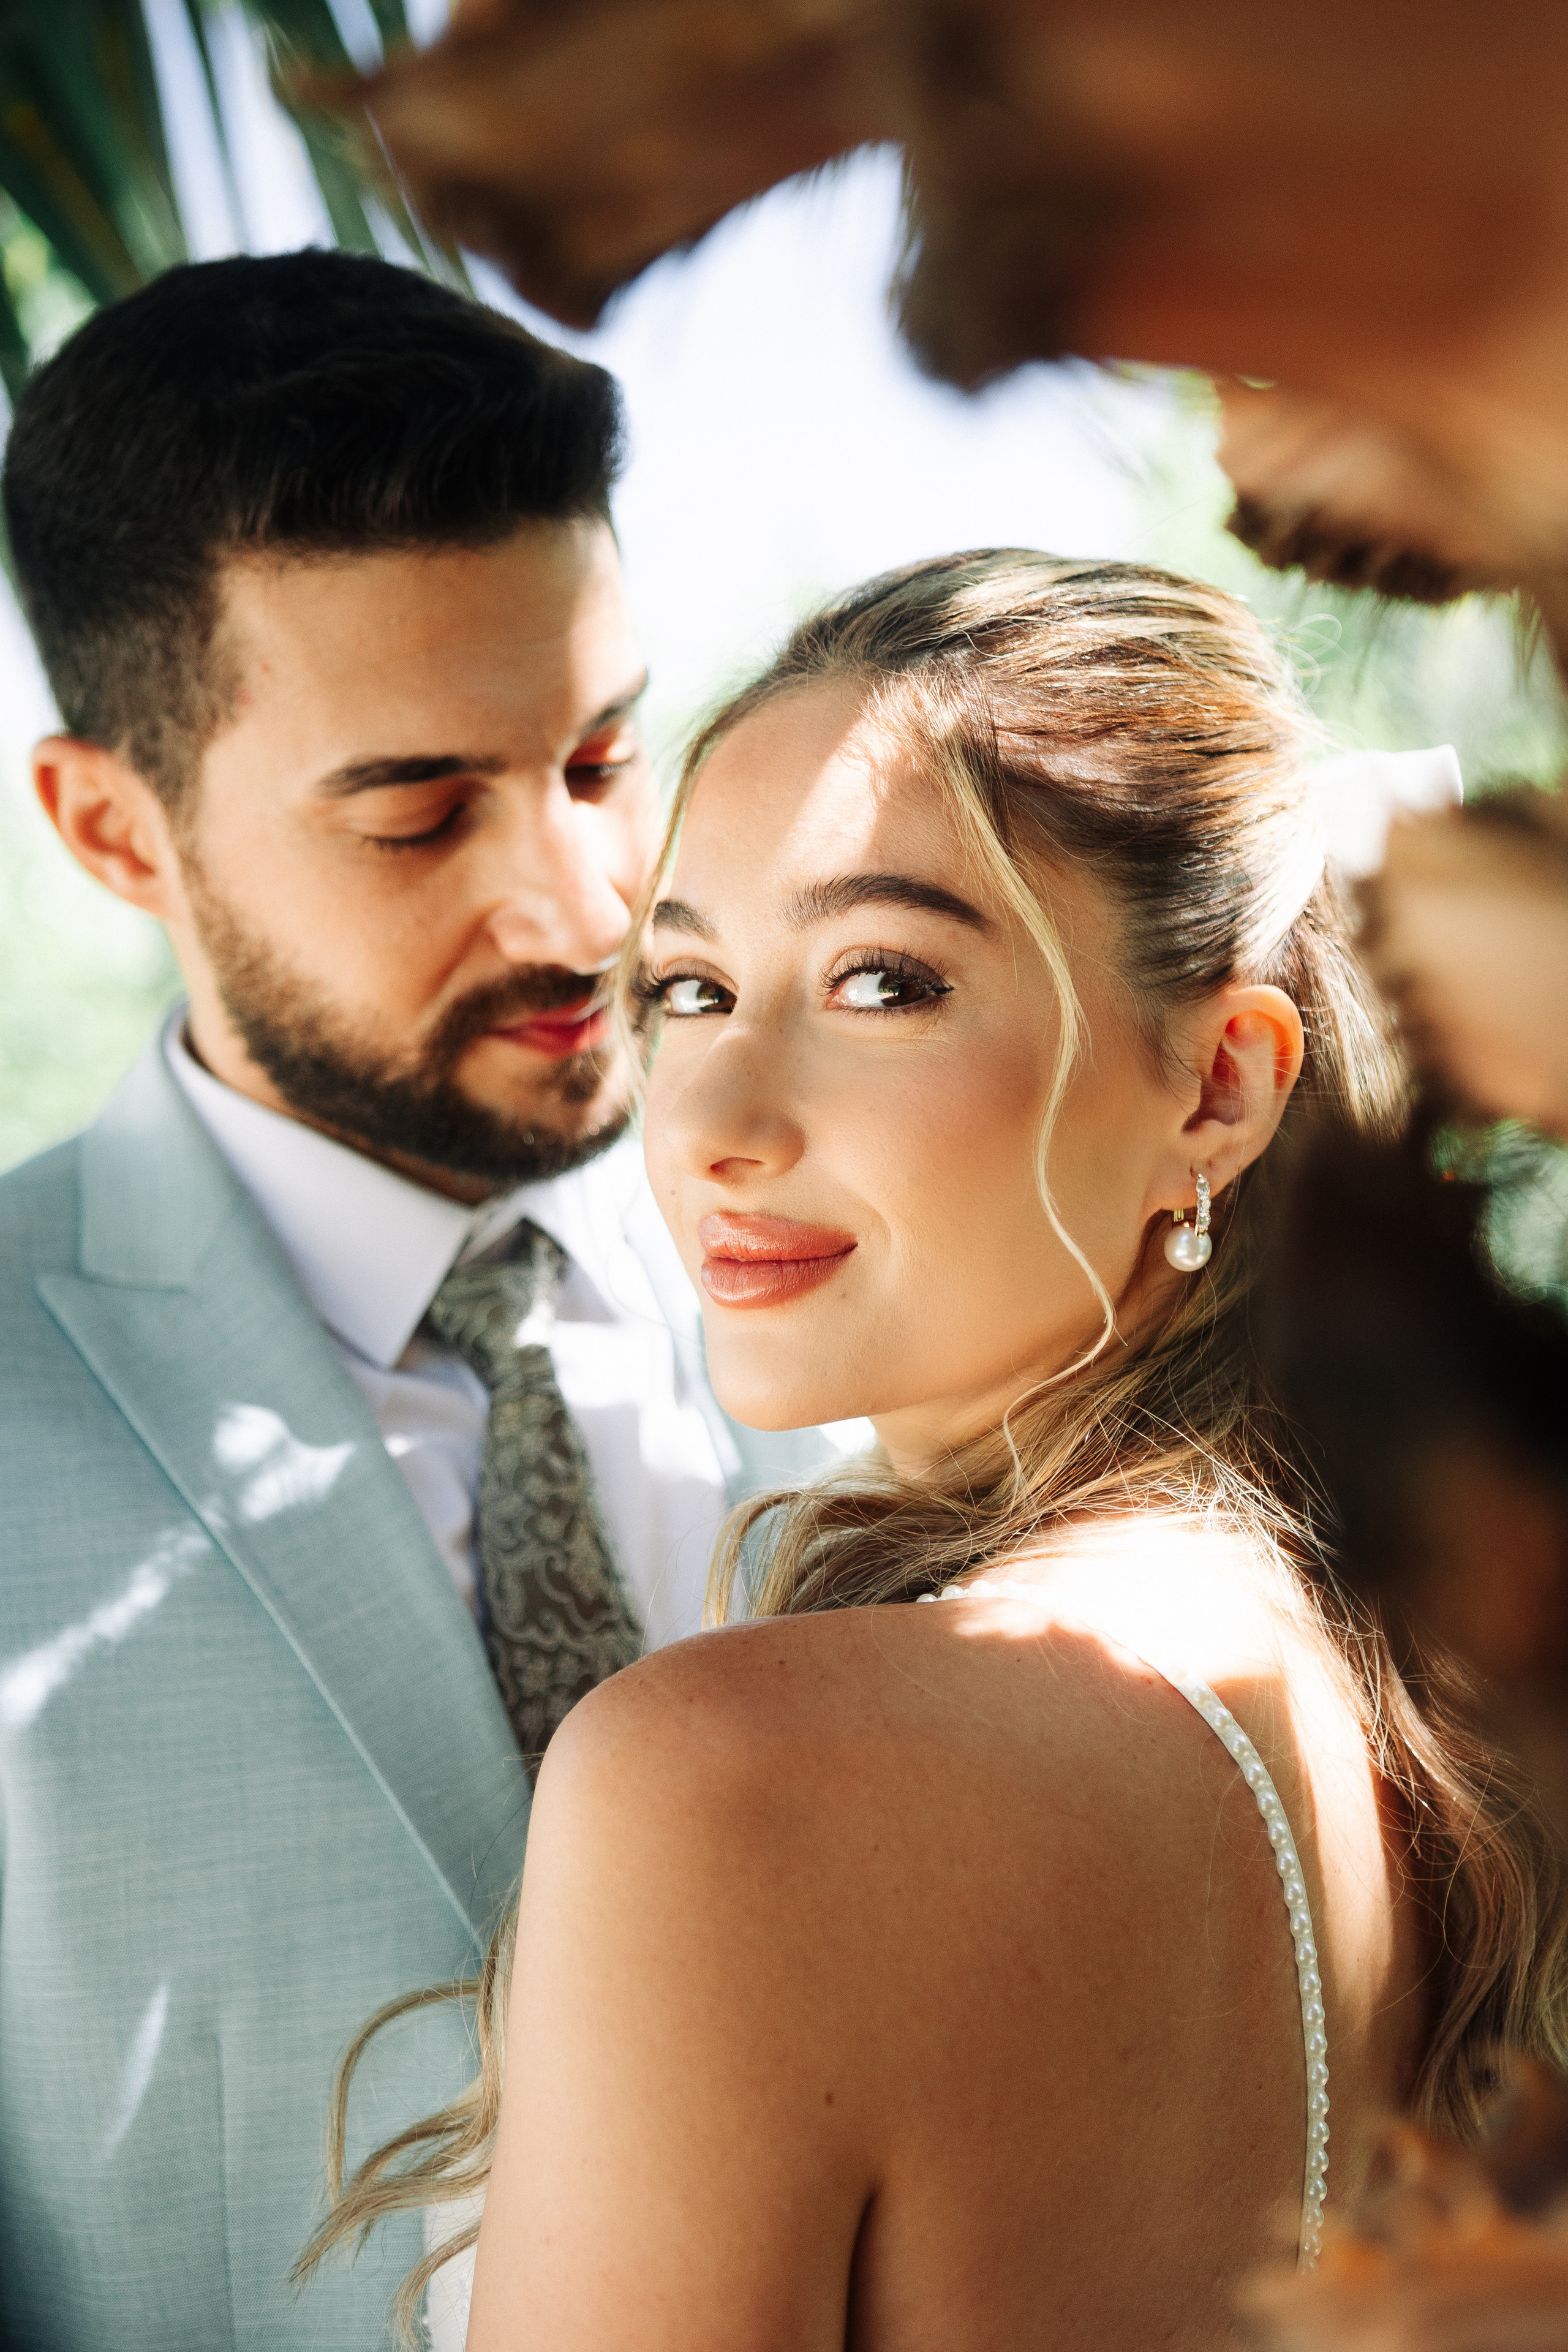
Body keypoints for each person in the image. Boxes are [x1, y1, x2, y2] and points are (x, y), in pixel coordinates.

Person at [315, 552, 1568, 2350]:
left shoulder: (731, 1781)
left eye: (883, 981)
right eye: (688, 991)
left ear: (1216, 1085)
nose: (718, 1128)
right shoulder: (1397, 1712)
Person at [0, 249, 831, 2352]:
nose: (581, 904)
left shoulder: (892, 1294)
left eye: (600, 758)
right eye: (416, 812)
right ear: (115, 831)